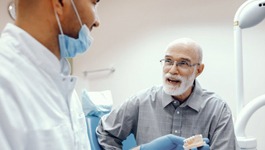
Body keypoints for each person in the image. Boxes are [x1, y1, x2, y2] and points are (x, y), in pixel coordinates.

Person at [96, 38, 239, 149]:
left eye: (183, 63)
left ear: (199, 70)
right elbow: (105, 133)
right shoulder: (141, 101)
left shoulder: (218, 110)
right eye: (168, 61)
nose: (172, 70)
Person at [0, 0, 100, 149]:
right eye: (94, 2)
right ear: (59, 3)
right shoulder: (5, 83)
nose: (97, 22)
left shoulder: (63, 81)